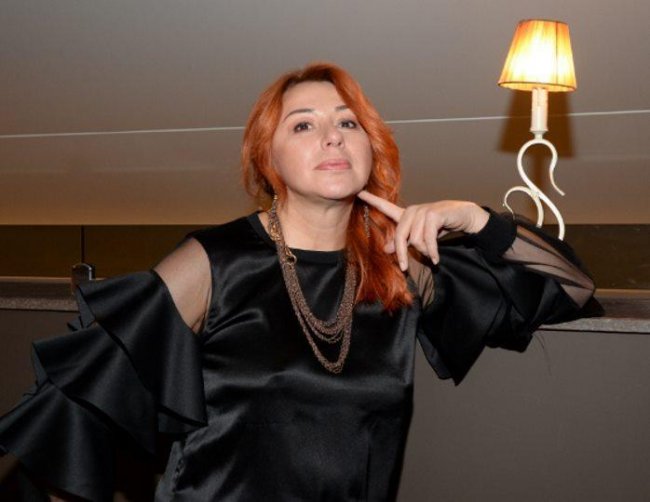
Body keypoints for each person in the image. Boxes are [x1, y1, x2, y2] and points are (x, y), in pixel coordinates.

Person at [0, 62, 601, 501]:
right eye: (303, 126)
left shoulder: (400, 265)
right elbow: (75, 404)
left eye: (347, 122)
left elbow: (572, 288)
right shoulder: (215, 262)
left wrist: (475, 218)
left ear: (371, 146)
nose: (332, 136)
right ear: (269, 160)